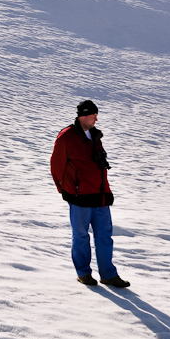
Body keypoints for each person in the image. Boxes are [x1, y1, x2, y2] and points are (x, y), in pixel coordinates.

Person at [50, 99, 130, 288]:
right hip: (79, 197)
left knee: (104, 236)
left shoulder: (95, 136)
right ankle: (83, 273)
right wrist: (67, 190)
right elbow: (56, 166)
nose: (96, 118)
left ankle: (108, 274)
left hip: (100, 195)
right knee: (81, 236)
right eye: (94, 115)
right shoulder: (66, 137)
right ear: (84, 115)